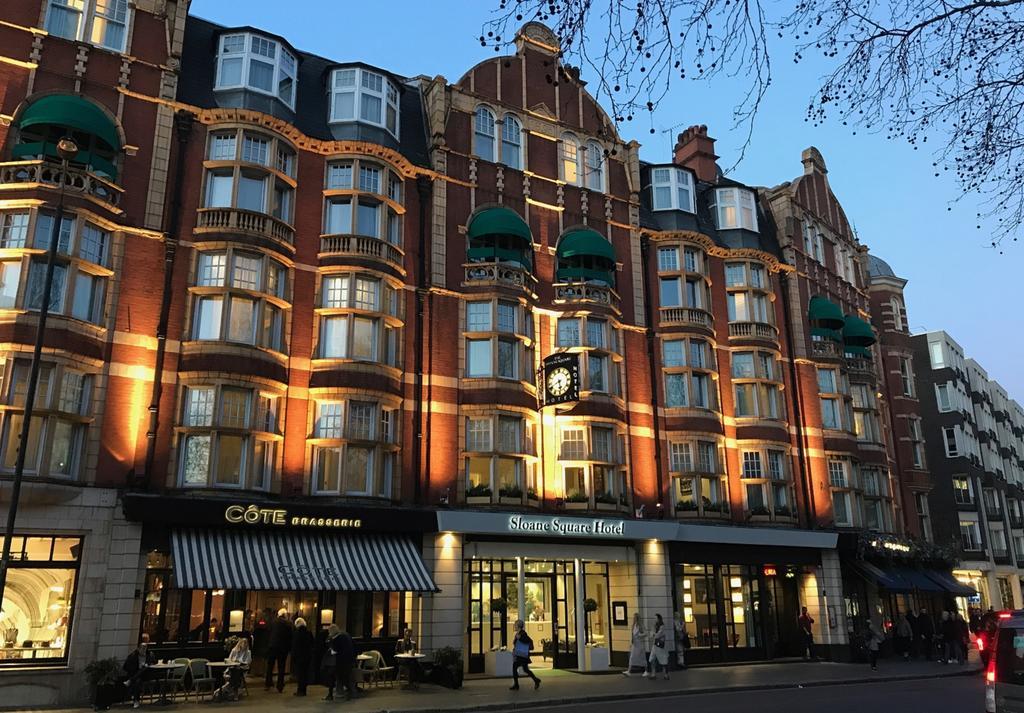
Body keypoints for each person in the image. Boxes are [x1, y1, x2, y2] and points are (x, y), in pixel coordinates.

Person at [213, 637, 251, 702]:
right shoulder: (234, 650)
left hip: (242, 668)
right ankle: (232, 691)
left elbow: (248, 662)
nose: (244, 645)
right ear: (240, 644)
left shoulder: (248, 652)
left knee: (236, 672)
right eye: (243, 644)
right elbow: (229, 659)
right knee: (235, 673)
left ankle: (223, 690)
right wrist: (234, 661)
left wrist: (240, 663)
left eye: (245, 644)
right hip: (232, 667)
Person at [122, 634, 156, 709]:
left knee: (144, 668)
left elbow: (153, 663)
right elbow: (126, 666)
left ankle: (130, 681)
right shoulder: (133, 656)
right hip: (136, 674)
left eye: (145, 648)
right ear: (138, 649)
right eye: (142, 648)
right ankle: (136, 700)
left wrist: (147, 665)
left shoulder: (150, 655)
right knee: (137, 681)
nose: (143, 650)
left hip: (146, 675)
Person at [265, 608, 292, 692]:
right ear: (284, 615)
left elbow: (268, 633)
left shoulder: (272, 622)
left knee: (270, 666)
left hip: (272, 646)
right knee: (281, 667)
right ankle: (280, 685)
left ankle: (268, 683)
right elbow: (290, 637)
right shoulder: (288, 623)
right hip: (283, 648)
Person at [509, 619, 540, 690]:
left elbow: (527, 641)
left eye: (515, 625)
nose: (514, 626)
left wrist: (520, 638)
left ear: (518, 626)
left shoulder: (523, 633)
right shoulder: (518, 633)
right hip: (520, 655)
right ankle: (536, 680)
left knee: (515, 667)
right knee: (525, 669)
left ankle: (516, 685)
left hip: (522, 655)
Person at [291, 617, 314, 696]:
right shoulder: (309, 632)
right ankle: (304, 690)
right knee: (305, 673)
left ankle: (300, 690)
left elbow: (294, 646)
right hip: (307, 656)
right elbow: (312, 644)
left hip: (299, 657)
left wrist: (293, 656)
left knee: (300, 674)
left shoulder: (297, 633)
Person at [624, 612, 648, 677]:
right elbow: (632, 635)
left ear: (637, 618)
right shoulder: (633, 625)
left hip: (640, 644)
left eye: (634, 617)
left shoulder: (641, 625)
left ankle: (646, 671)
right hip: (635, 644)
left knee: (642, 657)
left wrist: (640, 635)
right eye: (633, 617)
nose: (633, 619)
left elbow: (646, 633)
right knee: (632, 657)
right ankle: (629, 671)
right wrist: (631, 642)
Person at [648, 614, 669, 680]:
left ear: (659, 619)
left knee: (663, 660)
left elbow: (658, 635)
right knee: (652, 659)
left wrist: (654, 634)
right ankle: (653, 674)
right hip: (655, 645)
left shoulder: (662, 626)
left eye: (656, 618)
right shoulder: (654, 626)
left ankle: (666, 674)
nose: (654, 620)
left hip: (660, 646)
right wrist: (653, 633)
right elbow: (651, 635)